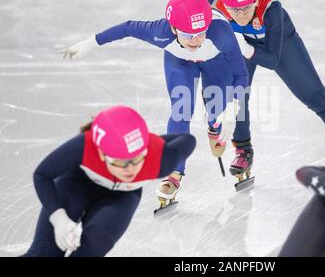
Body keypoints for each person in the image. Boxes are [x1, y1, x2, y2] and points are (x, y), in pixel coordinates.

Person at [172, 0, 325, 179]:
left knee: (314, 95)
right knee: (236, 96)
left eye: (246, 8)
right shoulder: (218, 0)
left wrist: (245, 48)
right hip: (243, 46)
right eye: (234, 9)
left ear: (256, 0)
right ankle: (243, 150)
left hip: (279, 46)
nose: (240, 15)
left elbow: (272, 60)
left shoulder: (271, 7)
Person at [62, 0, 249, 206]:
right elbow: (127, 28)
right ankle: (174, 173)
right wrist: (90, 43)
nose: (196, 40)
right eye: (188, 35)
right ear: (172, 28)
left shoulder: (221, 34)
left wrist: (233, 106)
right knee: (181, 109)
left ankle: (214, 126)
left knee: (218, 111)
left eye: (201, 33)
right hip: (180, 62)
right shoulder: (159, 32)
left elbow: (241, 74)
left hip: (215, 60)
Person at [22, 105, 196, 257]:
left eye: (137, 158)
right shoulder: (83, 146)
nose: (130, 169)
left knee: (94, 245)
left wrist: (148, 140)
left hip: (121, 197)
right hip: (77, 184)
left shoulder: (160, 159)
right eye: (119, 162)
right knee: (44, 253)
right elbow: (42, 175)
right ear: (100, 153)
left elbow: (189, 140)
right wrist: (57, 217)